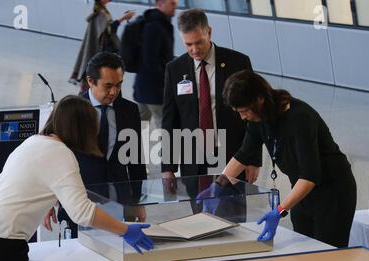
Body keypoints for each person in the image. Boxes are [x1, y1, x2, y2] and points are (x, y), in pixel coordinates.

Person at [0, 95, 153, 261]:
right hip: (0, 242)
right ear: (81, 128)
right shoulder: (61, 153)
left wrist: (51, 200)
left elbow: (29, 182)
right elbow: (83, 213)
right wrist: (124, 230)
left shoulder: (34, 141)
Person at [204, 70, 356, 248]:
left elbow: (310, 175)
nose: (243, 117)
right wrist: (218, 186)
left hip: (332, 193)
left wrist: (279, 210)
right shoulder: (258, 119)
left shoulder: (300, 119)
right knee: (303, 252)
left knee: (326, 258)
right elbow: (244, 155)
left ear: (259, 99)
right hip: (302, 193)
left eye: (244, 111)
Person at [161, 9, 253, 220]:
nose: (194, 49)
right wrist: (168, 167)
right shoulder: (175, 69)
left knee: (234, 218)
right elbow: (170, 120)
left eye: (199, 42)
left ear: (209, 32)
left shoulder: (238, 63)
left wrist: (253, 159)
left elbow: (253, 117)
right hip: (194, 159)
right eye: (188, 44)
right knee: (201, 218)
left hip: (231, 155)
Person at [45, 52, 147, 237]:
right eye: (108, 86)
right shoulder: (69, 111)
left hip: (119, 198)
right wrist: (48, 200)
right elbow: (52, 157)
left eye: (118, 85)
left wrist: (137, 201)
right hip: (80, 199)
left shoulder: (129, 110)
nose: (114, 91)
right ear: (91, 81)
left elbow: (135, 159)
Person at [69, 0, 135, 92]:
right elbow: (109, 30)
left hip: (98, 48)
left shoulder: (99, 10)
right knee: (98, 75)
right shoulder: (101, 13)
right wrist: (124, 18)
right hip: (101, 49)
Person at [134, 0, 177, 130]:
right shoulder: (155, 26)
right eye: (171, 3)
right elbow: (150, 59)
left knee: (140, 122)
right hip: (155, 89)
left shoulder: (160, 23)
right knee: (164, 124)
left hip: (145, 87)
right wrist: (166, 79)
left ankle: (127, 147)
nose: (175, 6)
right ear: (160, 4)